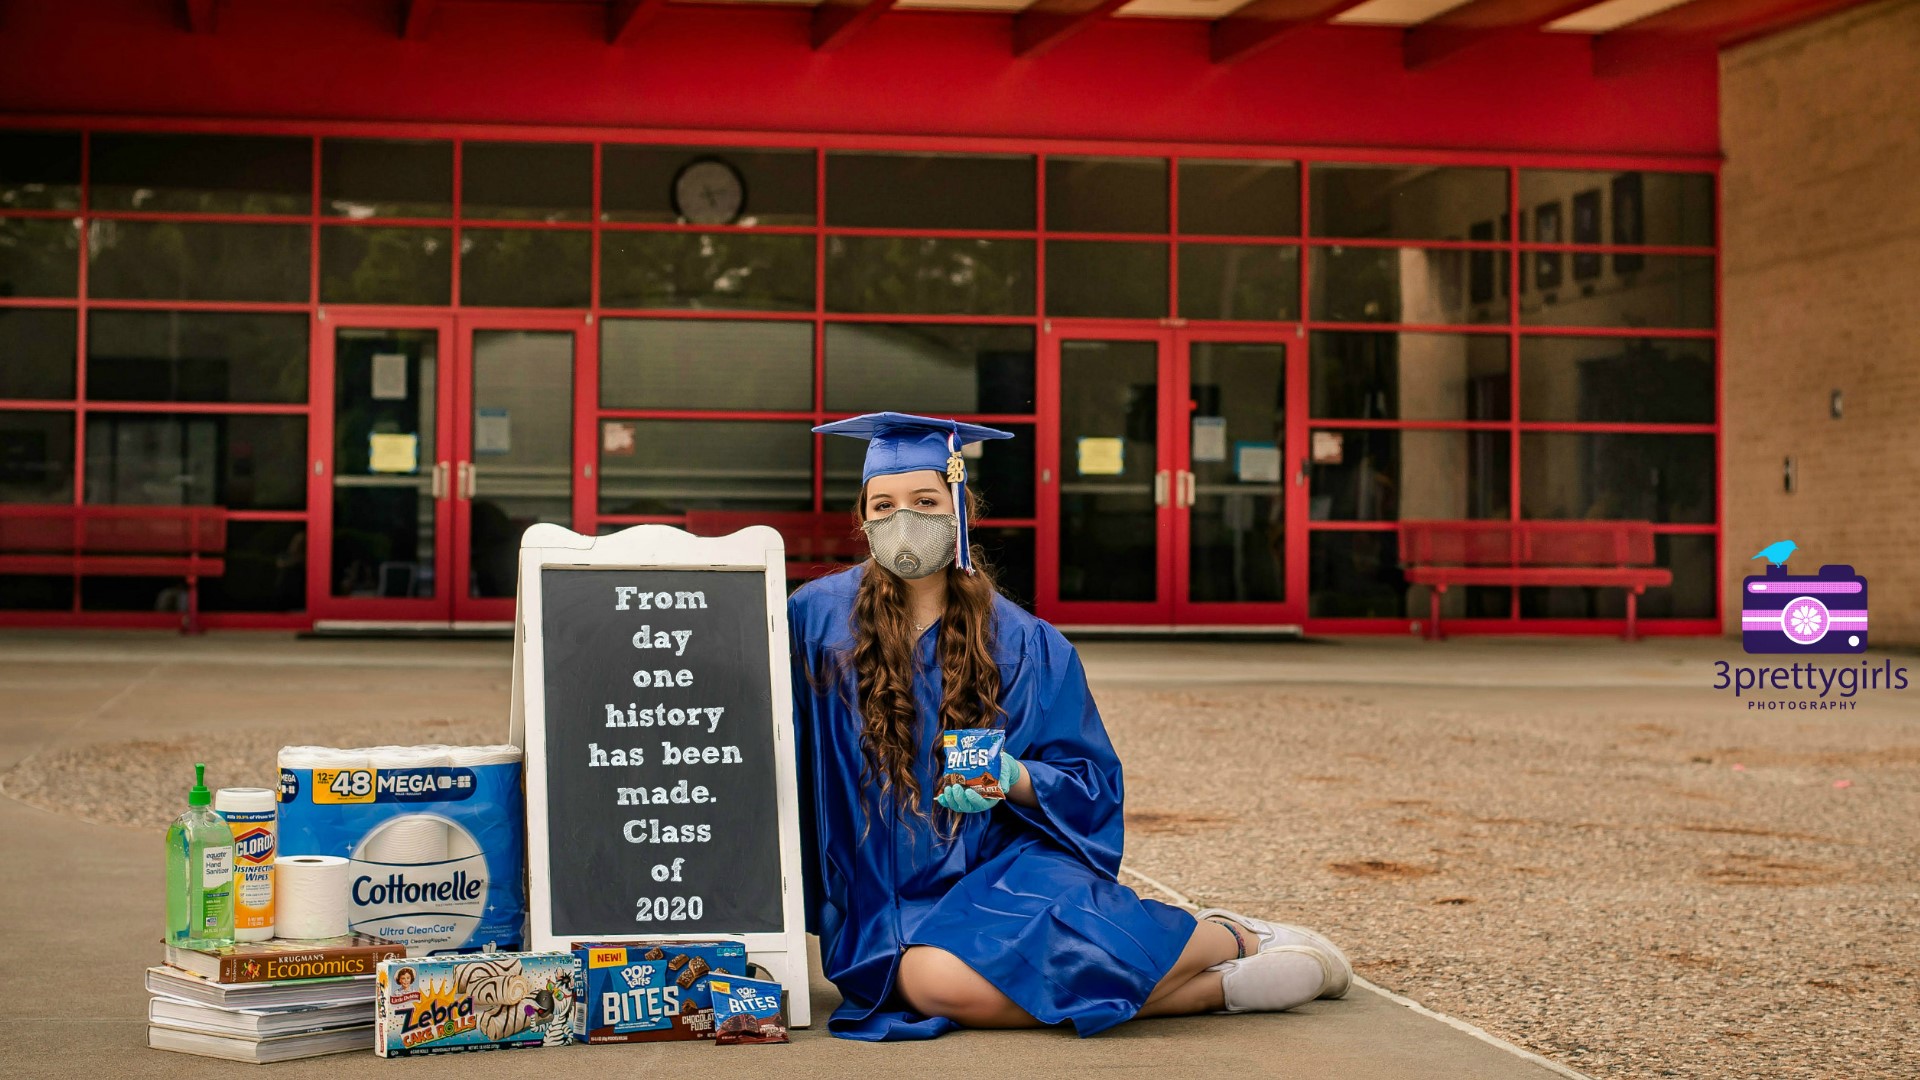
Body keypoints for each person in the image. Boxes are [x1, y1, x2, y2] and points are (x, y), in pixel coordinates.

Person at [787, 412, 1354, 1042]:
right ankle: (1216, 985)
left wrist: (1015, 776)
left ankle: (1233, 935)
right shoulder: (814, 621)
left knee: (936, 982)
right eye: (884, 504)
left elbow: (1089, 780)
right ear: (863, 519)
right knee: (930, 983)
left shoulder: (1027, 644)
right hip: (878, 898)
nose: (903, 520)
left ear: (960, 510)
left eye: (924, 501)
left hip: (997, 872)